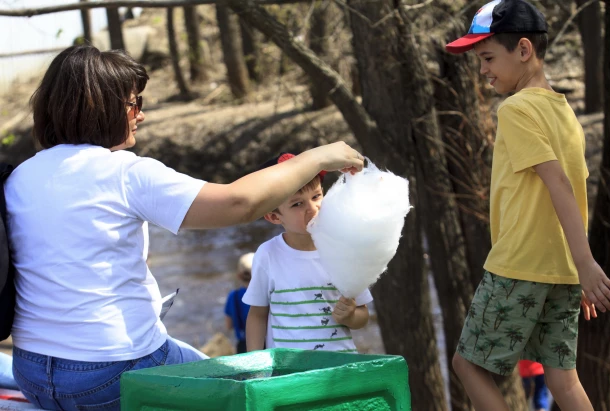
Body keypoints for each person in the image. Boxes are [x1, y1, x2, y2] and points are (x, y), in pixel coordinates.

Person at [5, 45, 364, 410]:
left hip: (32, 372)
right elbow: (240, 204)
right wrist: (316, 157)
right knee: (244, 391)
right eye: (134, 104)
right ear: (102, 108)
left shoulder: (20, 175)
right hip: (111, 373)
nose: (141, 115)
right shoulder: (125, 173)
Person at [445, 1, 610, 410]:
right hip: (560, 268)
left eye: (487, 57)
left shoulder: (517, 109)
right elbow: (574, 189)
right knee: (562, 379)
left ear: (523, 50)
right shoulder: (564, 111)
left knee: (467, 365)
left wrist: (587, 262)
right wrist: (578, 264)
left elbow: (557, 182)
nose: (483, 70)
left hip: (519, 263)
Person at [243, 153, 373, 353]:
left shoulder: (343, 249)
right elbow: (258, 315)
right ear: (273, 216)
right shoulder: (268, 254)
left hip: (339, 370)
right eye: (297, 204)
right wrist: (255, 365)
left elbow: (362, 314)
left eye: (316, 196)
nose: (313, 209)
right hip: (290, 373)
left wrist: (349, 317)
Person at [224, 252, 254, 354]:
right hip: (265, 344)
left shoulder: (233, 296)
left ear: (239, 276)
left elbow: (229, 325)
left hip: (242, 345)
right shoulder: (264, 294)